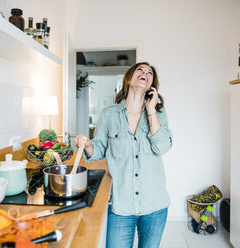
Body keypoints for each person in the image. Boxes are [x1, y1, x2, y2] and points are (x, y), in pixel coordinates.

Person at [74, 62, 172, 248]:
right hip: (121, 204)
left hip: (155, 203)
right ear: (129, 77)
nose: (145, 73)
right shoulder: (109, 114)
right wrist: (87, 144)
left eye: (149, 72)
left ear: (152, 84)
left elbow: (162, 147)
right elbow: (98, 150)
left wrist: (151, 109)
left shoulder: (159, 113)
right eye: (140, 70)